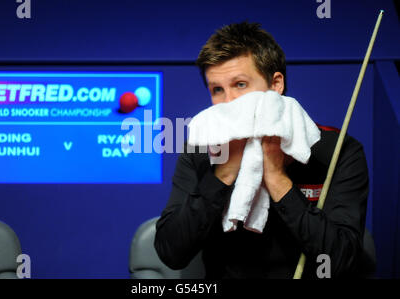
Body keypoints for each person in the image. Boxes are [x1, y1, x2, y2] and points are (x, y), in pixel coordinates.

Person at [153, 21, 369, 278]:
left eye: (241, 84)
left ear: (276, 84)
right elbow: (171, 252)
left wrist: (277, 179)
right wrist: (223, 173)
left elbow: (342, 260)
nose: (229, 102)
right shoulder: (200, 150)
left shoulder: (338, 150)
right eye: (217, 90)